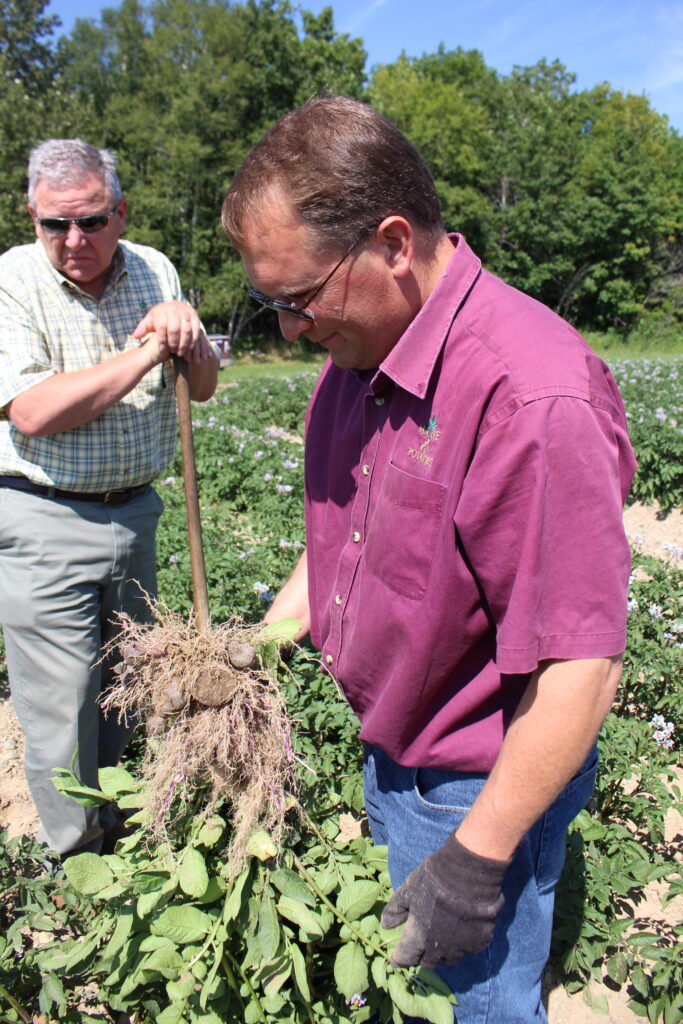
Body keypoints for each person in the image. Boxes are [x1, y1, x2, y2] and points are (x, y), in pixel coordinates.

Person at [220, 97, 636, 1023]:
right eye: (269, 304)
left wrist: (475, 860)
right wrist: (261, 645)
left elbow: (580, 666)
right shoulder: (362, 351)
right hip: (391, 751)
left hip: (472, 786)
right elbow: (345, 531)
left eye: (298, 299)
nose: (288, 330)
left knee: (475, 1009)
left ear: (393, 244)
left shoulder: (532, 399)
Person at [0, 139, 218, 859]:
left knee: (130, 688)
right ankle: (77, 863)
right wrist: (150, 351)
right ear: (31, 218)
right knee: (62, 711)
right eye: (53, 224)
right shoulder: (11, 281)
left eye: (91, 220)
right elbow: (31, 410)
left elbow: (204, 385)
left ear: (119, 213)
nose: (73, 241)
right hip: (43, 519)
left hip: (136, 513)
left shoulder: (156, 269)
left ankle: (125, 831)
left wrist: (190, 337)